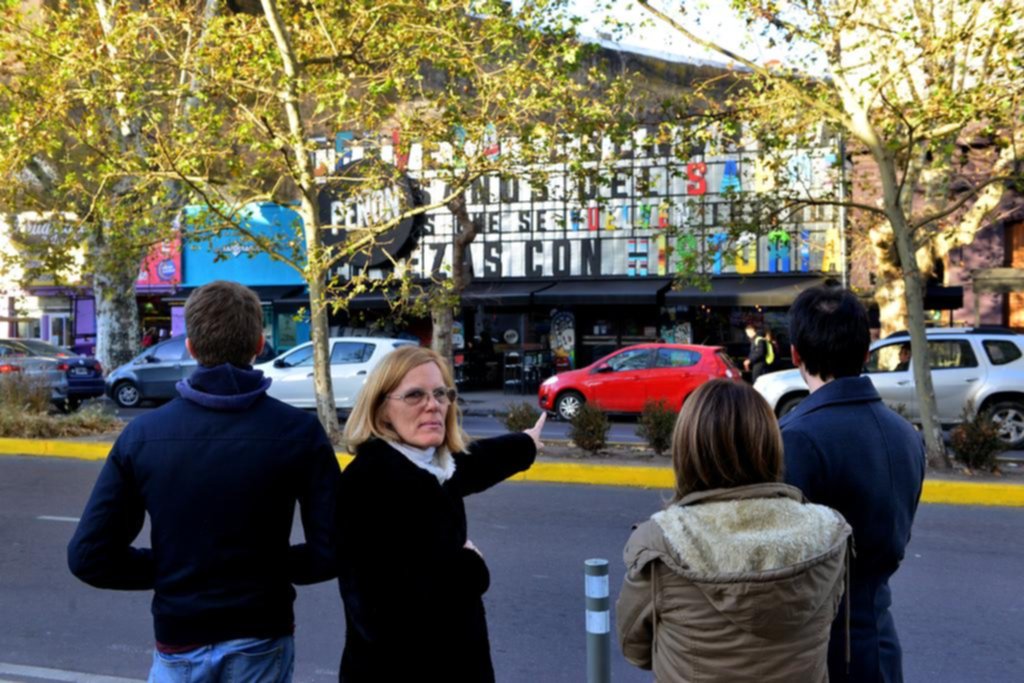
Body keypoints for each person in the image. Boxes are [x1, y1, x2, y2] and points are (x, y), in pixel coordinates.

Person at [68, 280, 339, 682]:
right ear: (259, 344)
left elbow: (89, 557)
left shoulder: (142, 436)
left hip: (180, 638)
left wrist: (172, 569)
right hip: (261, 633)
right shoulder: (299, 433)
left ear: (191, 347)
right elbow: (333, 549)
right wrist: (264, 569)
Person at [617, 379, 852, 682]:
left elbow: (635, 649)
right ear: (769, 445)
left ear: (687, 451)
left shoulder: (663, 542)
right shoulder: (828, 532)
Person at [336, 345, 544, 682]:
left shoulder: (428, 464)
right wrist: (471, 567)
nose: (433, 405)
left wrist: (526, 443)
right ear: (382, 409)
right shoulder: (369, 482)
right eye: (415, 395)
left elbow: (476, 462)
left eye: (441, 393)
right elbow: (381, 611)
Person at [781, 286, 926, 682]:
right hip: (880, 642)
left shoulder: (793, 439)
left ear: (795, 354)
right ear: (866, 352)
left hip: (820, 652)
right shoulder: (907, 435)